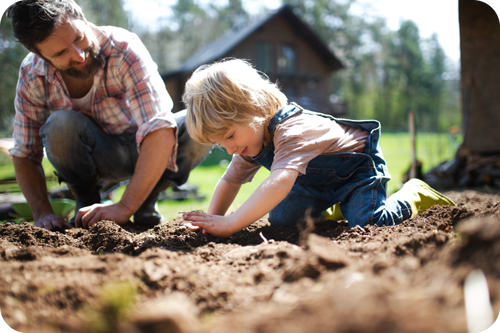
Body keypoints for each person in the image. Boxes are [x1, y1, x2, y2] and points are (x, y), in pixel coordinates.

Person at [182, 59, 455, 238]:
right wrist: (212, 219)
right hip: (312, 183)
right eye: (221, 144)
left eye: (229, 136)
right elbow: (230, 180)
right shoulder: (249, 141)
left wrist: (231, 224)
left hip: (356, 170)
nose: (230, 150)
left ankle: (414, 194)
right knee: (283, 220)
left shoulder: (293, 131)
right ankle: (335, 204)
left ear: (254, 109)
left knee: (371, 222)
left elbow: (278, 183)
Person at [7, 0, 211, 230]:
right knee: (59, 125)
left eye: (78, 38)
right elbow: (25, 153)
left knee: (202, 120)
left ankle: (145, 201)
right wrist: (42, 213)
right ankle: (88, 202)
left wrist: (125, 207)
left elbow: (159, 131)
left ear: (82, 18)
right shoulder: (32, 75)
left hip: (150, 150)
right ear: (40, 55)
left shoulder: (123, 48)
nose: (79, 55)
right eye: (62, 52)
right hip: (98, 156)